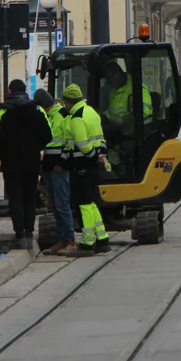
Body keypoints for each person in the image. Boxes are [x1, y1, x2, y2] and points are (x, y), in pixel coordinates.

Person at [0, 80, 52, 250]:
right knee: (29, 197)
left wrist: (5, 156)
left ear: (10, 91)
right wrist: (35, 147)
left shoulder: (6, 115)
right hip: (31, 163)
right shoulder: (37, 113)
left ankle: (19, 231)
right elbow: (47, 136)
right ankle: (29, 230)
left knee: (16, 198)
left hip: (11, 165)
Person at [58, 84, 109, 256]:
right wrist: (100, 156)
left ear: (69, 102)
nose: (65, 106)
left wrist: (92, 156)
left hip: (82, 165)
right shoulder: (91, 112)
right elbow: (101, 138)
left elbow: (82, 144)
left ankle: (87, 243)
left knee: (84, 204)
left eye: (65, 102)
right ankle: (103, 239)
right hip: (93, 165)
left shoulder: (77, 118)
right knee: (92, 202)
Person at [36, 89, 76, 254]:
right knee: (54, 205)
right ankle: (62, 239)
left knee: (62, 205)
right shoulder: (51, 116)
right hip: (50, 165)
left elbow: (69, 139)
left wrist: (63, 162)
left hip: (58, 166)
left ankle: (69, 239)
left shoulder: (61, 115)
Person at [101, 61, 152, 177]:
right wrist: (102, 117)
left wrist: (124, 120)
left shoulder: (137, 87)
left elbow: (143, 112)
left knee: (116, 146)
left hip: (136, 133)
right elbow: (112, 110)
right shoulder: (115, 90)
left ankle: (123, 175)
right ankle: (115, 173)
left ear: (118, 75)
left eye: (109, 79)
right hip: (120, 132)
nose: (108, 83)